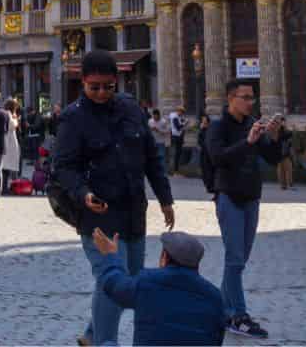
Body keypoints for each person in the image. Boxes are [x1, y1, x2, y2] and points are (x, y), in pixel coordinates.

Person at [52, 49, 176, 347]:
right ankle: (105, 342)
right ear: (82, 82)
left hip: (133, 211)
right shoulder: (73, 118)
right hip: (98, 214)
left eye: (108, 86)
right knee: (111, 278)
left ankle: (92, 335)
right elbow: (63, 168)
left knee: (129, 280)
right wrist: (83, 194)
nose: (101, 93)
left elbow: (151, 156)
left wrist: (165, 198)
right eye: (94, 87)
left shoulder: (132, 109)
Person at [203, 77, 283, 337]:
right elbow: (218, 158)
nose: (251, 102)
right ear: (230, 99)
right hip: (228, 196)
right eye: (245, 98)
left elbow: (273, 158)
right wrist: (246, 142)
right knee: (235, 259)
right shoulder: (217, 127)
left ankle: (222, 311)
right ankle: (239, 315)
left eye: (252, 98)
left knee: (240, 261)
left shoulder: (252, 124)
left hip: (251, 197)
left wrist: (274, 136)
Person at [89, 228, 227, 347]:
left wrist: (110, 256)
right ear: (196, 265)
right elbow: (217, 339)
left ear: (164, 257)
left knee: (107, 344)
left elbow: (114, 284)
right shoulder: (215, 297)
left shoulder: (147, 282)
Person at [167, 108, 188, 173]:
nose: (182, 114)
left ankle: (175, 170)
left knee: (177, 154)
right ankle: (174, 170)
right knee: (176, 154)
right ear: (178, 111)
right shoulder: (175, 117)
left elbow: (180, 123)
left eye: (183, 113)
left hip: (178, 137)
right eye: (181, 112)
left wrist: (183, 122)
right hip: (176, 137)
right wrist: (185, 123)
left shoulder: (177, 117)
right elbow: (178, 127)